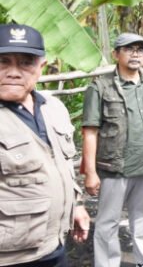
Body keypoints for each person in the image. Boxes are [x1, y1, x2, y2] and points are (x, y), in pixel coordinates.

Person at [0, 24, 90, 266]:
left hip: (53, 247)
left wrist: (76, 207)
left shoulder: (52, 107)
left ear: (41, 66)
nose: (13, 72)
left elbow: (61, 165)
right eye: (3, 61)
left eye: (25, 63)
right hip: (10, 256)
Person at [82, 33, 143, 267]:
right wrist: (90, 172)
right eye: (129, 49)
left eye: (140, 49)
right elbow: (90, 131)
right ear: (116, 54)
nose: (136, 54)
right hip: (114, 168)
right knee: (108, 222)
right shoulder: (100, 87)